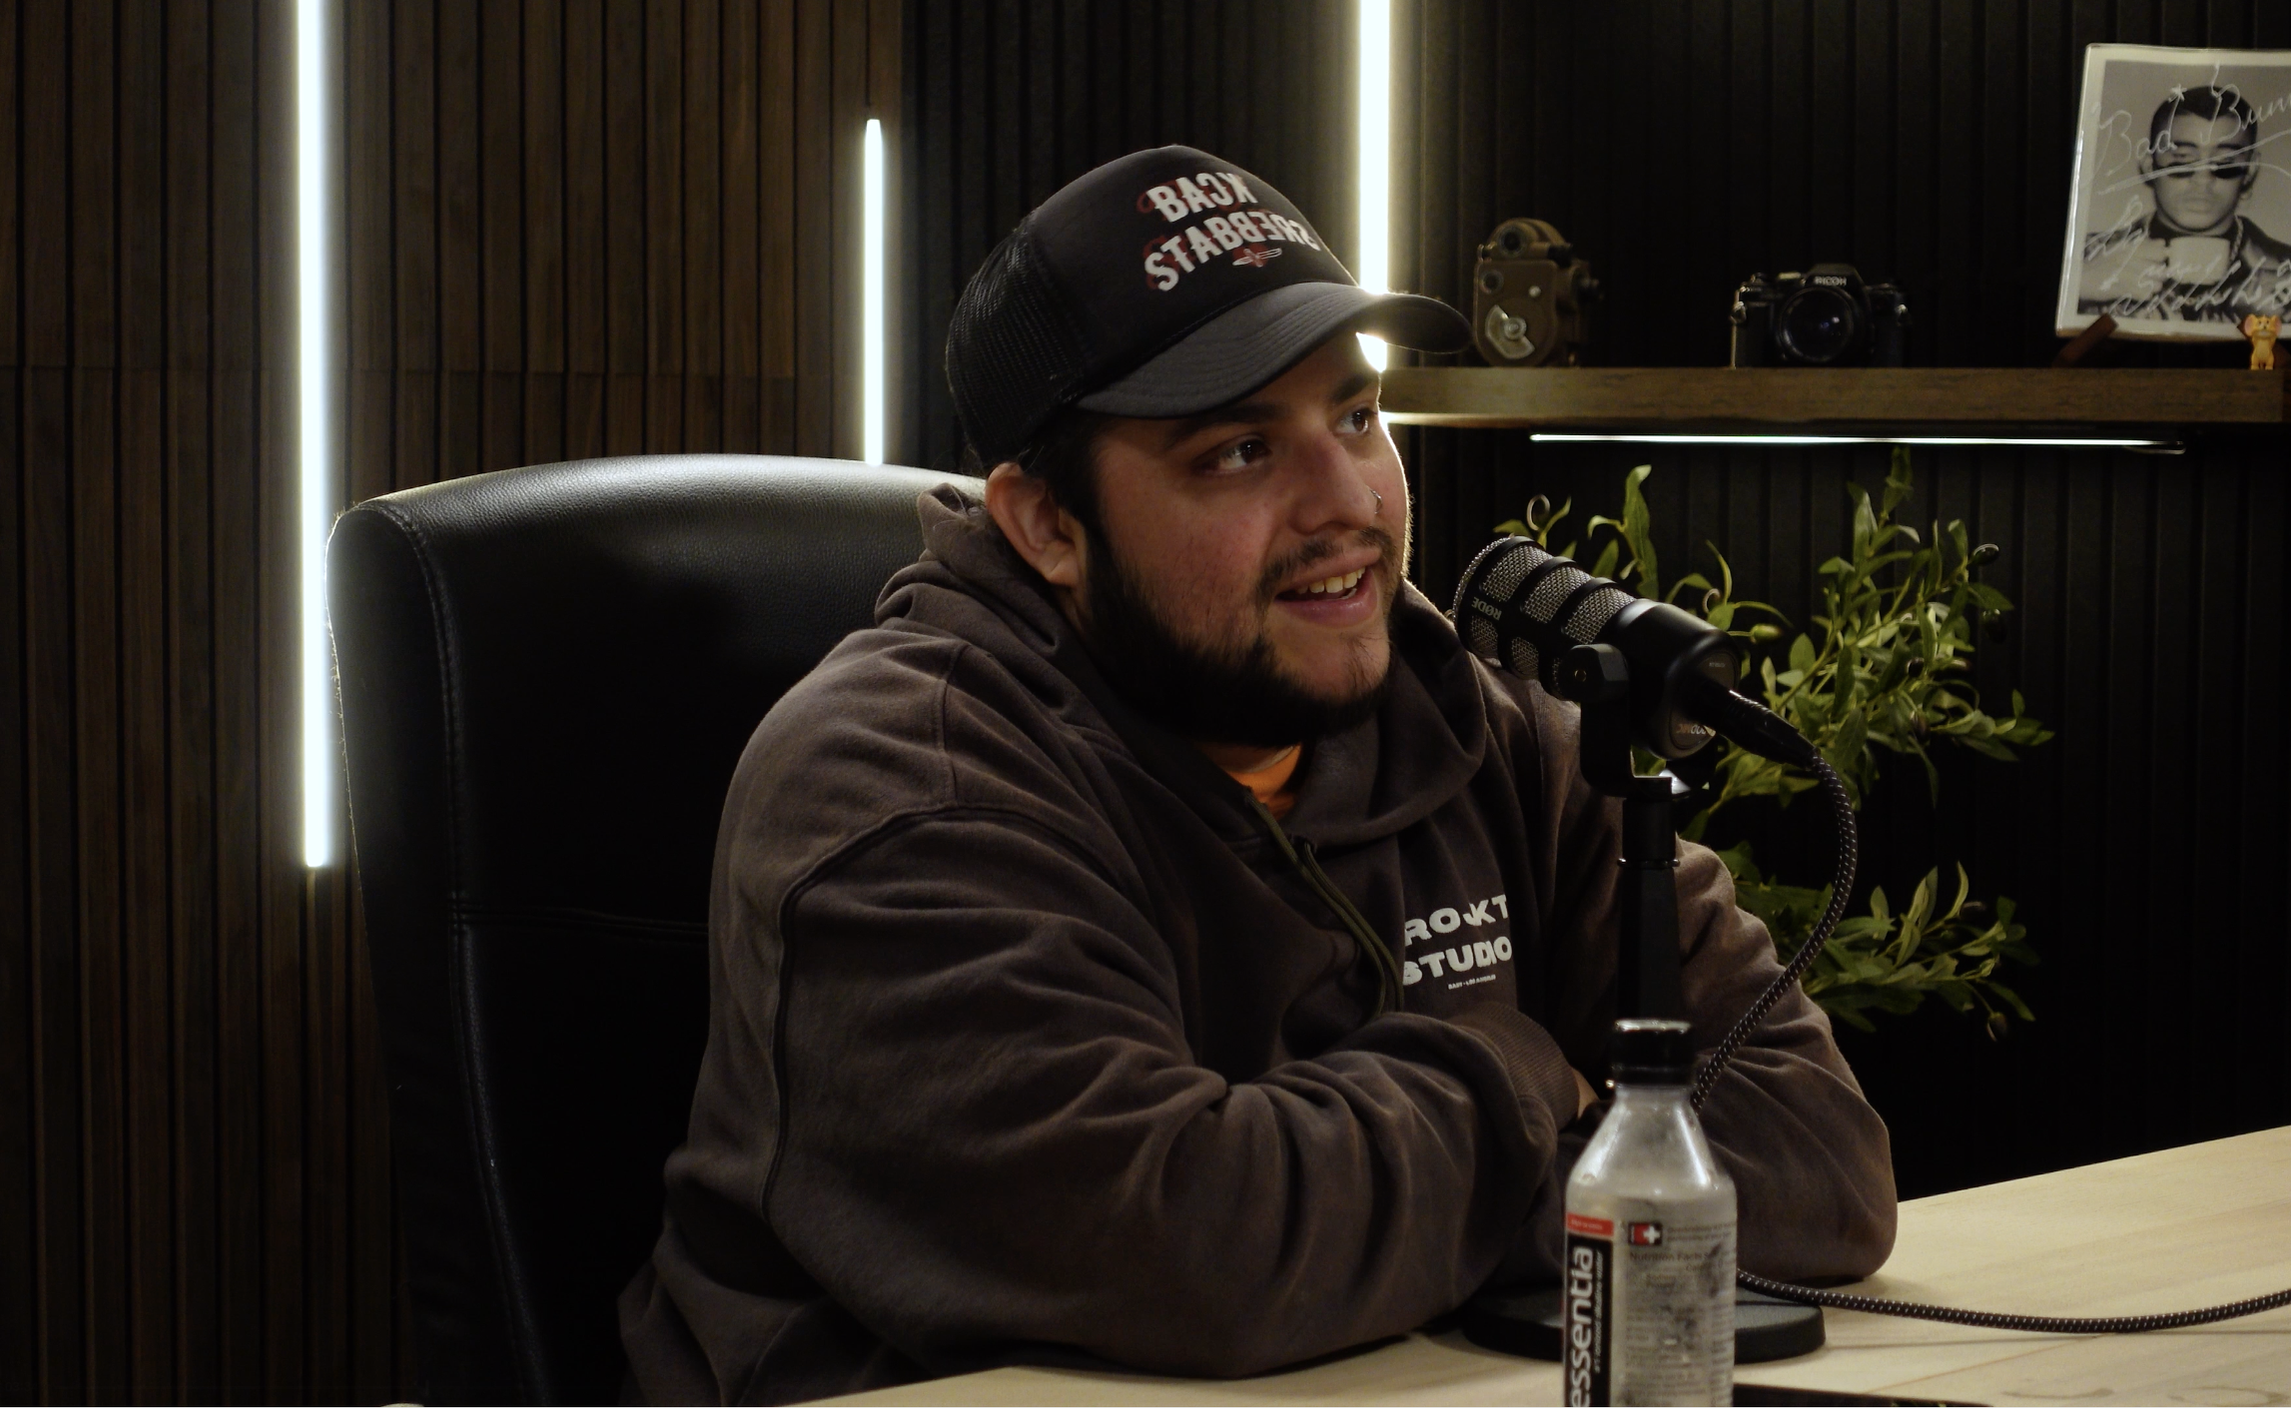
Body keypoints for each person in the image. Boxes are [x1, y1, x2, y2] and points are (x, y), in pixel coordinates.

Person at [619, 145, 1896, 1405]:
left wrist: (1374, 1222)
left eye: (1355, 416)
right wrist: (1530, 1083)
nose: (1347, 502)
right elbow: (1197, 1250)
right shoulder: (897, 785)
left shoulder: (1495, 729)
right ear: (1048, 526)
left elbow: (1817, 1156)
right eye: (1238, 449)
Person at [2077, 84, 2291, 324]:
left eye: (2224, 162)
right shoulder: (2084, 259)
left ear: (2250, 171)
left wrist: (2274, 329)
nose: (2203, 180)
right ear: (2150, 166)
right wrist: (2079, 286)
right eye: (2183, 160)